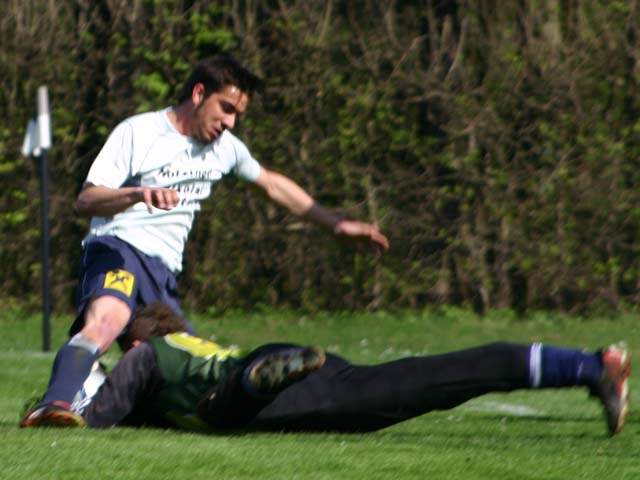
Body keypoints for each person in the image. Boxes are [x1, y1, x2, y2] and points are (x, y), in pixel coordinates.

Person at [20, 54, 389, 427]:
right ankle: (53, 405)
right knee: (107, 321)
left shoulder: (226, 149)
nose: (230, 122)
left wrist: (337, 225)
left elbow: (272, 185)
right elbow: (86, 199)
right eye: (226, 108)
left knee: (186, 370)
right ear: (198, 93)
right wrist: (137, 194)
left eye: (237, 115)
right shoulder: (138, 132)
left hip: (163, 274)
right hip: (118, 249)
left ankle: (94, 390)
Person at [29, 303, 631, 437]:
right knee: (428, 383)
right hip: (293, 366)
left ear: (137, 339)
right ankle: (588, 365)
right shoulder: (183, 348)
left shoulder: (145, 356)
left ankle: (261, 380)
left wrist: (71, 409)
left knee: (224, 408)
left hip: (257, 387)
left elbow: (105, 411)